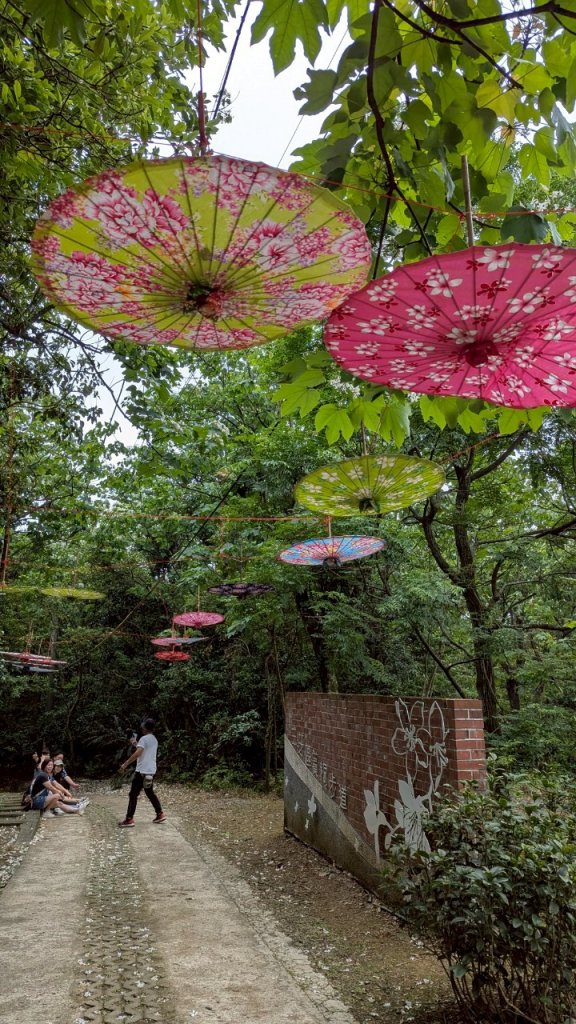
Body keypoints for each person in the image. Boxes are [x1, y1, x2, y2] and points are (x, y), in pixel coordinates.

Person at [118, 718, 166, 827]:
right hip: (151, 771)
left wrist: (126, 764)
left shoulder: (144, 739)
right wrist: (135, 743)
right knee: (149, 792)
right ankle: (160, 813)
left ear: (144, 727)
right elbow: (144, 749)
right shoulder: (154, 739)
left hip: (142, 771)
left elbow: (138, 753)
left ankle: (129, 819)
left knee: (133, 794)